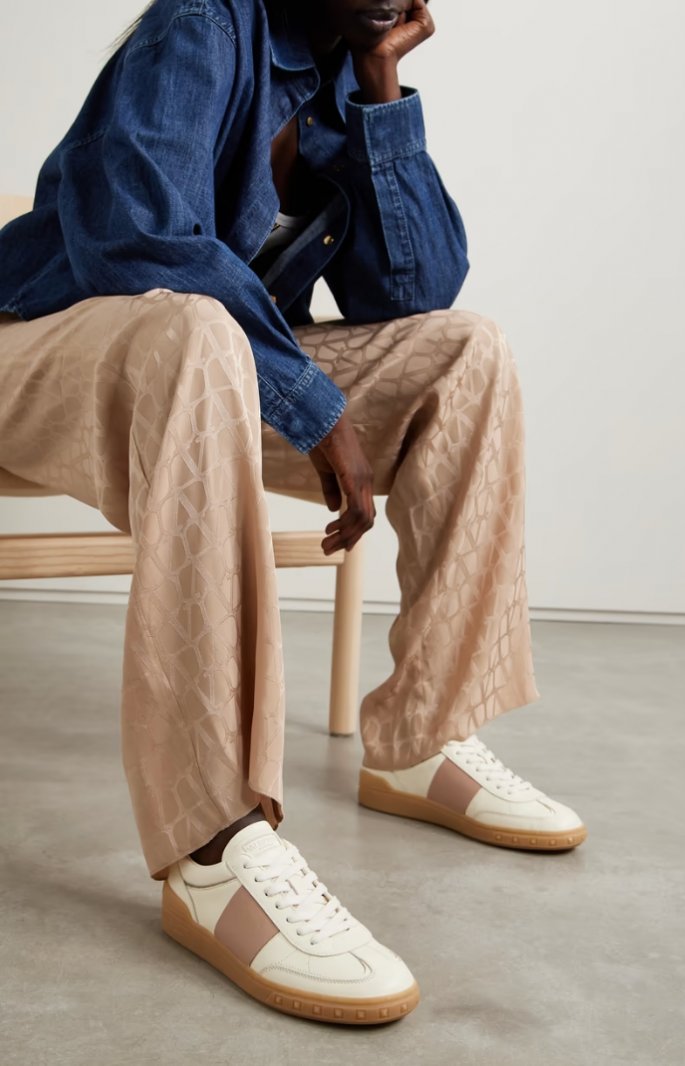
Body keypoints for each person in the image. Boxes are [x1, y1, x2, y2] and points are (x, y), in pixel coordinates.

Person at [0, 0, 586, 1026]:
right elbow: (138, 243)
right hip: (40, 351)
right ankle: (215, 840)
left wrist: (380, 90)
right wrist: (316, 406)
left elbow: (416, 287)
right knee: (197, 330)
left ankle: (424, 736)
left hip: (208, 372)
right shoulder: (201, 26)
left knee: (466, 350)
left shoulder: (338, 75)